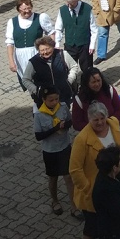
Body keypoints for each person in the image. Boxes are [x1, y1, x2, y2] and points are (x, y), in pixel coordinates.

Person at [70, 101, 120, 239]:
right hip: (95, 190)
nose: (100, 122)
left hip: (115, 182)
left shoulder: (114, 123)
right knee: (92, 227)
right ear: (89, 120)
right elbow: (75, 169)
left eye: (102, 118)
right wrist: (89, 190)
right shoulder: (82, 139)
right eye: (95, 120)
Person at [33, 86, 78, 217]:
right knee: (53, 178)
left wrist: (65, 125)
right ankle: (55, 201)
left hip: (64, 147)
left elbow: (71, 121)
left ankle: (74, 206)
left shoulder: (63, 107)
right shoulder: (39, 115)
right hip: (50, 151)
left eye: (56, 99)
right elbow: (38, 136)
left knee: (68, 176)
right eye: (51, 100)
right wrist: (55, 128)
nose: (54, 102)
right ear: (44, 100)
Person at [5, 0, 54, 90]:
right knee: (27, 80)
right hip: (20, 57)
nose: (27, 11)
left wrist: (52, 49)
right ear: (19, 9)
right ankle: (35, 94)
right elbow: (10, 43)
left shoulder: (40, 18)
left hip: (36, 54)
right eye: (24, 9)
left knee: (41, 79)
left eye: (29, 8)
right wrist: (11, 62)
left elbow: (51, 33)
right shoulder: (12, 22)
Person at [22, 35, 81, 108]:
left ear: (53, 47)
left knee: (64, 114)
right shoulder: (34, 62)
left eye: (47, 49)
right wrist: (37, 90)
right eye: (42, 50)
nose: (45, 52)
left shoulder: (62, 54)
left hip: (63, 96)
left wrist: (69, 80)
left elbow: (74, 66)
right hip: (44, 100)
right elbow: (25, 79)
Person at [54, 0, 97, 72]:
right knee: (69, 69)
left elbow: (94, 29)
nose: (69, 6)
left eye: (71, 4)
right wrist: (57, 43)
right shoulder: (62, 10)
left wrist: (92, 45)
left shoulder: (87, 9)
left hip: (84, 46)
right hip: (70, 45)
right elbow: (58, 28)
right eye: (68, 3)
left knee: (87, 69)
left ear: (78, 0)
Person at [72, 66, 120, 131]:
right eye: (93, 82)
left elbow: (119, 109)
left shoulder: (109, 90)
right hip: (92, 134)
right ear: (87, 83)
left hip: (113, 130)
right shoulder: (80, 100)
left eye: (98, 81)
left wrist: (109, 123)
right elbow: (77, 123)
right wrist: (95, 126)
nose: (97, 84)